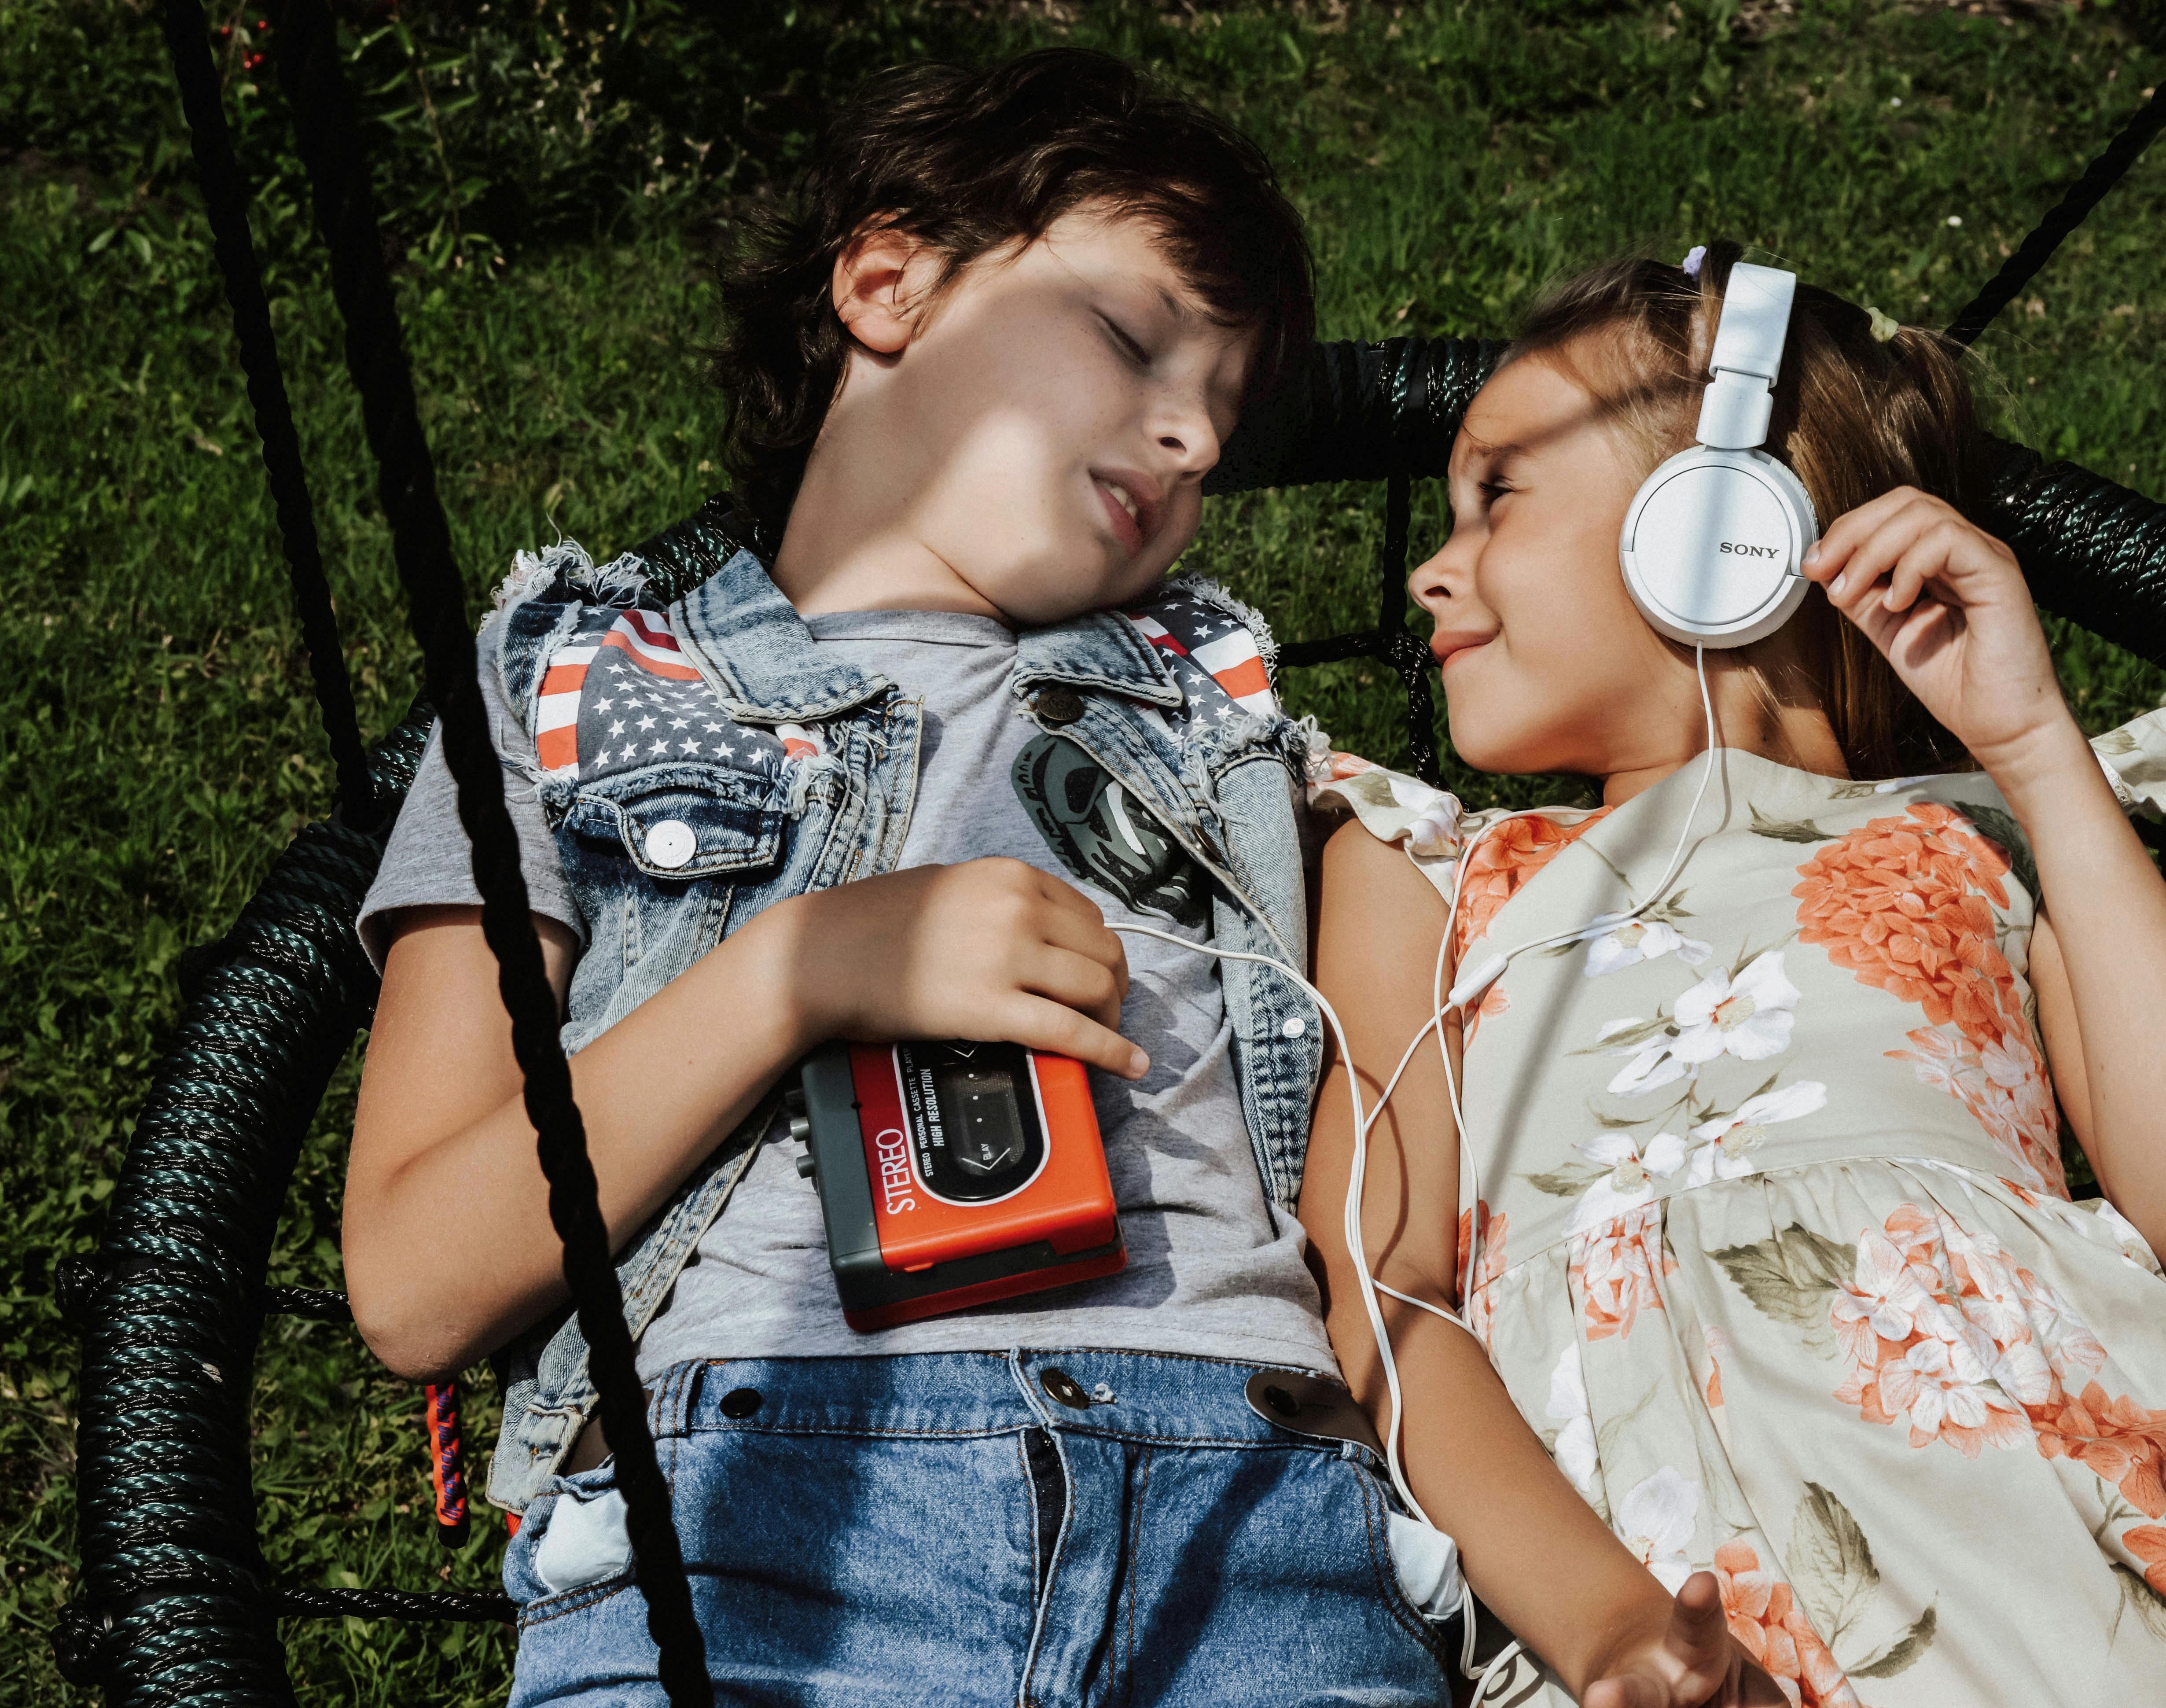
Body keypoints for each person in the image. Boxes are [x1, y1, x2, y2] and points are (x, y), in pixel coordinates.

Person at [1302, 243, 2166, 1707]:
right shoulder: (1421, 869)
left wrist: (2040, 751)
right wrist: (1610, 1631)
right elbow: (1383, 1290)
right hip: (1685, 1614)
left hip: (2094, 1551)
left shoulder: (1981, 831)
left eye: (1497, 496)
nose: (1434, 564)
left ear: (1715, 528)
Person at [344, 49, 1449, 1706]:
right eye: (1135, 339)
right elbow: (420, 1280)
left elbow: (1386, 1221)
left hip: (1255, 1506)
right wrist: (797, 973)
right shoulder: (572, 683)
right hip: (750, 1515)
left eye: (1222, 415)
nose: (1188, 433)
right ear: (888, 279)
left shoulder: (1229, 730)